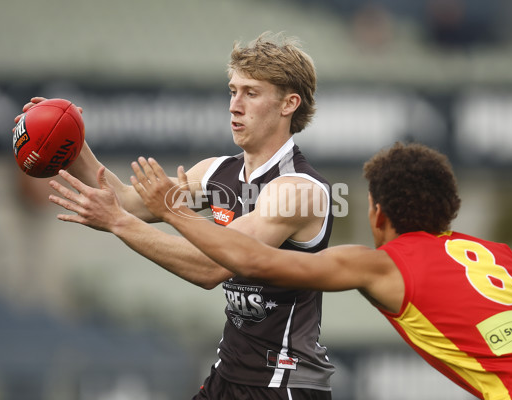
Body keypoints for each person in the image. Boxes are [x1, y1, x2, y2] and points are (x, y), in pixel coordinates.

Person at [22, 32, 336, 399]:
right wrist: (69, 141)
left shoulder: (298, 189)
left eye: (251, 93)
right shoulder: (216, 171)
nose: (235, 105)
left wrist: (125, 222)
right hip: (229, 374)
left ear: (289, 104)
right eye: (233, 91)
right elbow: (124, 199)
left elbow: (211, 267)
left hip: (282, 385)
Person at [127, 142, 512, 400]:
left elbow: (253, 261)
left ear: (376, 212)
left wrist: (174, 210)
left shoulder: (380, 264)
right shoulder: (499, 256)